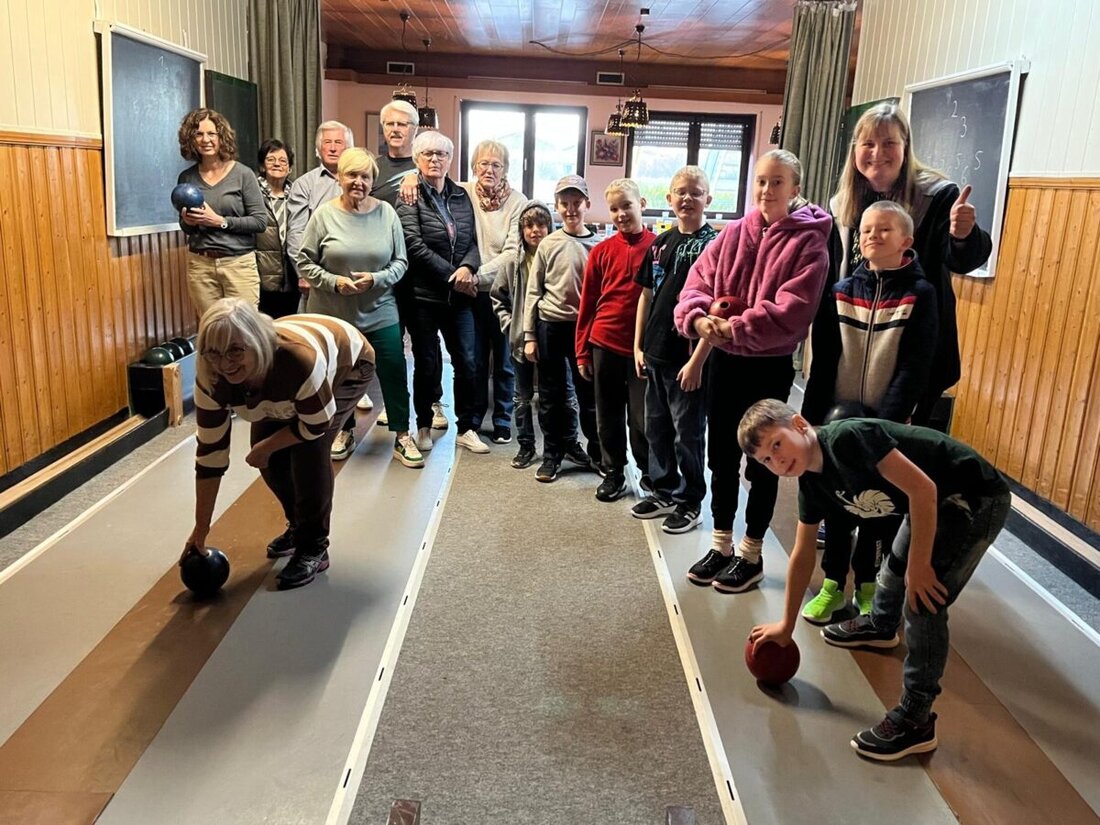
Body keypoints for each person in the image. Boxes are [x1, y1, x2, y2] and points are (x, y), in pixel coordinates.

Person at [742, 399, 1010, 761]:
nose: (777, 461)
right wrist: (786, 626)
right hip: (927, 501)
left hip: (972, 496)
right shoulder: (811, 484)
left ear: (800, 425)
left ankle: (916, 720)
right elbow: (803, 554)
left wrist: (920, 566)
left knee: (923, 600)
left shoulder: (848, 439)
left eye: (777, 444)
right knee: (894, 569)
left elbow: (924, 490)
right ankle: (882, 625)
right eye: (765, 460)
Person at [674, 149, 831, 593]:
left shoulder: (810, 242)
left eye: (777, 182)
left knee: (766, 461)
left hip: (768, 366)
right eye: (761, 181)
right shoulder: (733, 233)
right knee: (721, 457)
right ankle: (721, 545)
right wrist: (699, 320)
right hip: (725, 362)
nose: (766, 190)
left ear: (795, 188)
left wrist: (734, 327)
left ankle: (751, 553)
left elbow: (793, 310)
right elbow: (697, 284)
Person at [808, 102, 992, 429]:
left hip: (911, 355)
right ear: (855, 150)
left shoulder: (937, 196)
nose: (878, 153)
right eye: (868, 143)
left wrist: (964, 235)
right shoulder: (841, 205)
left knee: (896, 446)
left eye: (889, 143)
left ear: (906, 147)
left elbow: (961, 259)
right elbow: (832, 281)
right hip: (851, 352)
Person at [801, 201, 940, 624]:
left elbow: (915, 367)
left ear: (906, 240)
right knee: (839, 507)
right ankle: (832, 584)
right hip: (837, 423)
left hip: (885, 426)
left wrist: (886, 424)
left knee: (877, 510)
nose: (872, 236)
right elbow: (823, 361)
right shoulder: (841, 290)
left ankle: (866, 586)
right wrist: (812, 420)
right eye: (866, 230)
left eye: (884, 229)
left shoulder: (921, 294)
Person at [185, 298, 376, 590]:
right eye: (214, 353)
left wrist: (268, 446)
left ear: (254, 342)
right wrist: (201, 529)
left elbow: (316, 425)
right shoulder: (211, 378)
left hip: (347, 364)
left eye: (235, 350)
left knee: (308, 454)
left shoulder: (297, 361)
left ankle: (313, 546)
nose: (225, 364)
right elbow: (210, 457)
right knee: (269, 460)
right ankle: (298, 526)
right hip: (282, 375)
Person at [296, 147, 420, 468]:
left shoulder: (387, 214)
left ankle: (402, 434)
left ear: (372, 181)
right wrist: (334, 282)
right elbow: (304, 261)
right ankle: (344, 430)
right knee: (337, 377)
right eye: (351, 175)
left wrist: (376, 279)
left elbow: (401, 262)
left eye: (365, 176)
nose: (358, 182)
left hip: (380, 309)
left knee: (393, 371)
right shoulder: (324, 215)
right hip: (333, 315)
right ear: (339, 177)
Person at [632, 166, 718, 533]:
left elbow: (717, 310)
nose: (687, 198)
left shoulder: (715, 245)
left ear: (707, 199)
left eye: (695, 192)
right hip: (655, 352)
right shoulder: (659, 243)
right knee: (657, 428)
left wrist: (698, 361)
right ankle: (663, 489)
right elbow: (646, 295)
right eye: (680, 192)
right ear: (669, 199)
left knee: (688, 433)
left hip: (688, 359)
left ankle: (690, 500)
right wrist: (638, 346)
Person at [397, 131, 488, 455]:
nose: (435, 159)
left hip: (458, 299)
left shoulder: (461, 195)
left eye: (441, 154)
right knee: (427, 363)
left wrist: (468, 267)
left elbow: (473, 239)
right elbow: (413, 244)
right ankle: (423, 425)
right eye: (428, 154)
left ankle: (467, 428)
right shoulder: (409, 195)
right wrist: (454, 276)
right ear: (417, 159)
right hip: (422, 297)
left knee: (468, 361)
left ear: (450, 159)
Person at [285, 120, 376, 421]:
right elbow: (297, 233)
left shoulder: (364, 178)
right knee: (317, 341)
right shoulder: (305, 185)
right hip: (319, 279)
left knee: (357, 339)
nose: (334, 147)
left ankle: (354, 389)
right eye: (328, 142)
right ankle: (314, 399)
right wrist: (306, 274)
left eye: (340, 142)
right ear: (318, 149)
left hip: (359, 278)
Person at [575, 178, 655, 501]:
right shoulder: (601, 252)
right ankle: (613, 472)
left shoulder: (659, 248)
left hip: (641, 349)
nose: (621, 214)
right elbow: (587, 303)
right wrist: (582, 352)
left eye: (627, 206)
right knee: (607, 413)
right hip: (604, 342)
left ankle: (648, 471)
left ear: (642, 204)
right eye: (614, 209)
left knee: (642, 416)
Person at [522, 175, 603, 483]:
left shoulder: (599, 246)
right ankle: (552, 454)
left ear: (587, 204)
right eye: (564, 204)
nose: (571, 209)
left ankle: (597, 453)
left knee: (589, 396)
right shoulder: (548, 244)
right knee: (551, 396)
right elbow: (534, 291)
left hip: (585, 331)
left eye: (576, 203)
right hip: (550, 327)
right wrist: (530, 336)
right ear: (557, 207)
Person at [376, 100, 448, 433]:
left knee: (426, 345)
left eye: (403, 124)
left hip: (420, 273)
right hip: (384, 271)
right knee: (391, 345)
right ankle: (394, 403)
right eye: (390, 123)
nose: (396, 129)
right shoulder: (373, 168)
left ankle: (433, 402)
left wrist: (414, 174)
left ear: (415, 129)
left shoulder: (426, 164)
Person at [461, 140, 528, 444]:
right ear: (474, 167)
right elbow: (430, 182)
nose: (489, 170)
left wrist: (477, 275)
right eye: (483, 163)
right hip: (470, 294)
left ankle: (502, 419)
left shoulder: (517, 201)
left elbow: (513, 253)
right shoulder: (463, 193)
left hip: (503, 292)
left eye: (496, 164)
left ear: (505, 169)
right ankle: (474, 418)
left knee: (503, 361)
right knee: (473, 360)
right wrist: (411, 177)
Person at [491, 200, 566, 468]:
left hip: (552, 336)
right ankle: (526, 445)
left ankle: (566, 443)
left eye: (541, 225)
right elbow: (497, 297)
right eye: (529, 226)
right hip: (521, 341)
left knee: (559, 395)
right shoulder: (513, 262)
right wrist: (510, 325)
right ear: (521, 230)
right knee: (522, 396)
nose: (535, 230)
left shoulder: (557, 257)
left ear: (550, 227)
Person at [176, 108, 266, 316]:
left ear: (221, 137)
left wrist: (219, 221)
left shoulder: (243, 174)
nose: (205, 140)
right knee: (212, 327)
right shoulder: (186, 178)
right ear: (190, 139)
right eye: (198, 134)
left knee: (244, 327)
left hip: (238, 265)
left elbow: (260, 222)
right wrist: (188, 222)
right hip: (201, 266)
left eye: (211, 134)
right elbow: (185, 227)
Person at [255, 139, 298, 319]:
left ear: (290, 168)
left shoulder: (297, 193)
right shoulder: (252, 192)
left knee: (289, 326)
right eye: (271, 159)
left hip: (292, 277)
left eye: (283, 160)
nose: (277, 164)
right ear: (262, 165)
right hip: (261, 276)